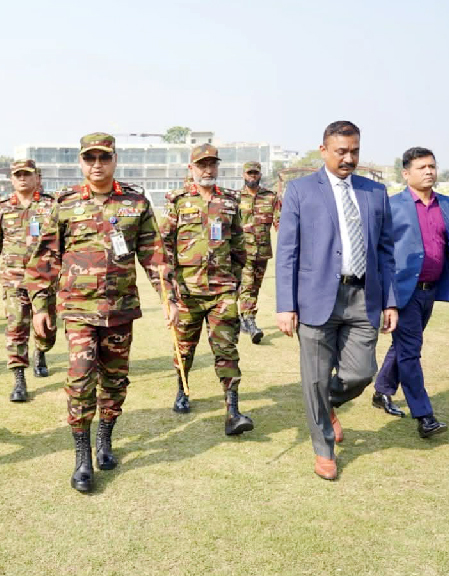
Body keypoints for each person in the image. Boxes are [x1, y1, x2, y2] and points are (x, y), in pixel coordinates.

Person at [25, 132, 177, 493]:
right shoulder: (64, 204)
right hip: (78, 310)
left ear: (114, 160)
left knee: (114, 380)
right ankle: (81, 457)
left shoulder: (136, 203)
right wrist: (39, 307)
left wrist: (168, 298)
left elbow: (154, 256)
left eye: (103, 158)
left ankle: (104, 440)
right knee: (79, 380)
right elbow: (44, 259)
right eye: (90, 158)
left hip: (120, 310)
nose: (97, 165)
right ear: (81, 162)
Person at [275, 120, 398, 481]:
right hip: (314, 299)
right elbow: (287, 253)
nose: (348, 158)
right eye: (341, 151)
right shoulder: (300, 191)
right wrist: (285, 305)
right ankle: (324, 450)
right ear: (323, 150)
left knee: (361, 373)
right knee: (314, 377)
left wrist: (390, 301)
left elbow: (386, 251)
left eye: (354, 151)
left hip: (364, 296)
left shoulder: (374, 193)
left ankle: (326, 405)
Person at [371, 147, 449, 437]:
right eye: (421, 167)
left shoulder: (447, 204)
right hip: (401, 291)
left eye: (432, 166)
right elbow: (380, 253)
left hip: (430, 291)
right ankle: (425, 416)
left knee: (404, 345)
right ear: (406, 174)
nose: (429, 171)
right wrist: (385, 296)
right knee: (410, 351)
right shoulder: (392, 206)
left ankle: (382, 390)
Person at [160, 144, 250, 434]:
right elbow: (165, 247)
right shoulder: (177, 201)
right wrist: (170, 291)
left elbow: (239, 246)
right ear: (191, 168)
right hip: (187, 291)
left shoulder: (230, 201)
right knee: (184, 349)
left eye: (212, 164)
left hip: (222, 292)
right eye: (202, 165)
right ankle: (182, 390)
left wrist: (233, 283)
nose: (207, 170)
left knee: (226, 349)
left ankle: (232, 411)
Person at [0, 159, 57, 401]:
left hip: (45, 280)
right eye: (17, 175)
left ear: (36, 176)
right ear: (11, 178)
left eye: (27, 174)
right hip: (14, 279)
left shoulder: (51, 206)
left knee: (46, 329)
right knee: (16, 328)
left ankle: (41, 351)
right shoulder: (1, 208)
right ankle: (19, 380)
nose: (22, 178)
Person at [237, 161, 281, 343]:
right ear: (243, 175)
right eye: (249, 173)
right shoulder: (236, 198)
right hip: (243, 252)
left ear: (260, 175)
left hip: (262, 252)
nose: (252, 176)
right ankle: (249, 320)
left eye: (255, 173)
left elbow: (281, 224)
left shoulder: (271, 197)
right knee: (247, 285)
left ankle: (241, 318)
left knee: (254, 287)